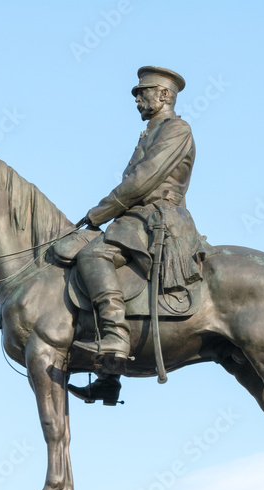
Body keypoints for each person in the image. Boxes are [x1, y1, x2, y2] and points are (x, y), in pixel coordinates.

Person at [71, 65, 207, 372]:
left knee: (94, 254)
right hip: (139, 218)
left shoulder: (176, 129)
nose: (137, 100)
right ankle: (108, 373)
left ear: (163, 95)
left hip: (157, 218)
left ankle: (116, 336)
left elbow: (142, 181)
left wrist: (100, 212)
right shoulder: (151, 131)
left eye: (142, 93)